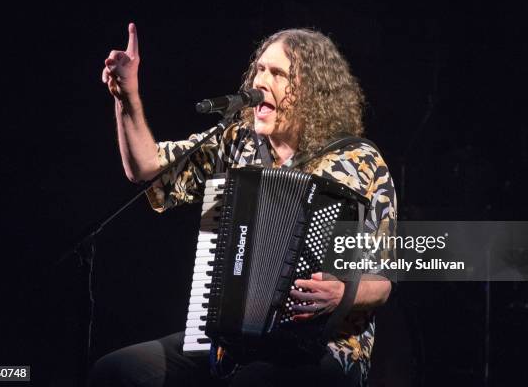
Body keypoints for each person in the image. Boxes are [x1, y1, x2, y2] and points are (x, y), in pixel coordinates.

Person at [90, 23, 397, 387]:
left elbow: (383, 278)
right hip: (228, 344)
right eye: (260, 69)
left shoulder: (358, 162)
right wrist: (127, 97)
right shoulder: (237, 141)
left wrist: (342, 292)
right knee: (117, 371)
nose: (260, 81)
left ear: (313, 92)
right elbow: (147, 168)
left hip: (325, 350)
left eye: (279, 74)